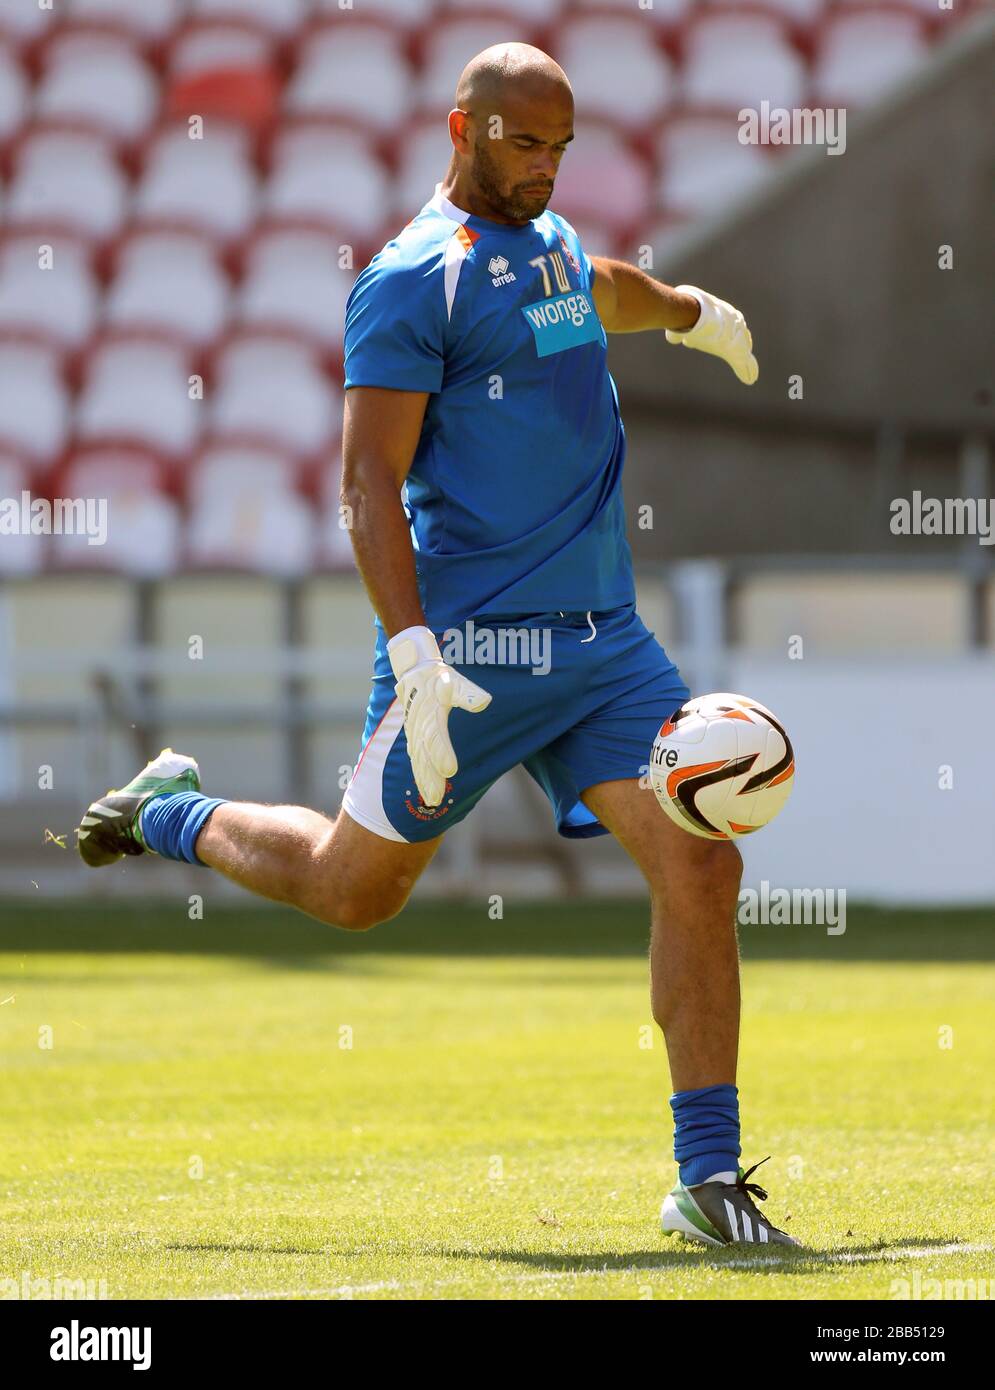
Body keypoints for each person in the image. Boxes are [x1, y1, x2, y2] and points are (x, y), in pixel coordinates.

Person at [77, 43, 796, 1248]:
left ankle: (706, 1182)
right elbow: (366, 478)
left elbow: (597, 286)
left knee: (701, 866)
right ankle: (172, 811)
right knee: (352, 894)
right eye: (524, 144)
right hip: (463, 658)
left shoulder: (551, 239)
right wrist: (409, 648)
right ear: (462, 127)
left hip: (603, 648)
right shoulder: (413, 280)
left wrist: (685, 312)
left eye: (562, 150)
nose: (545, 171)